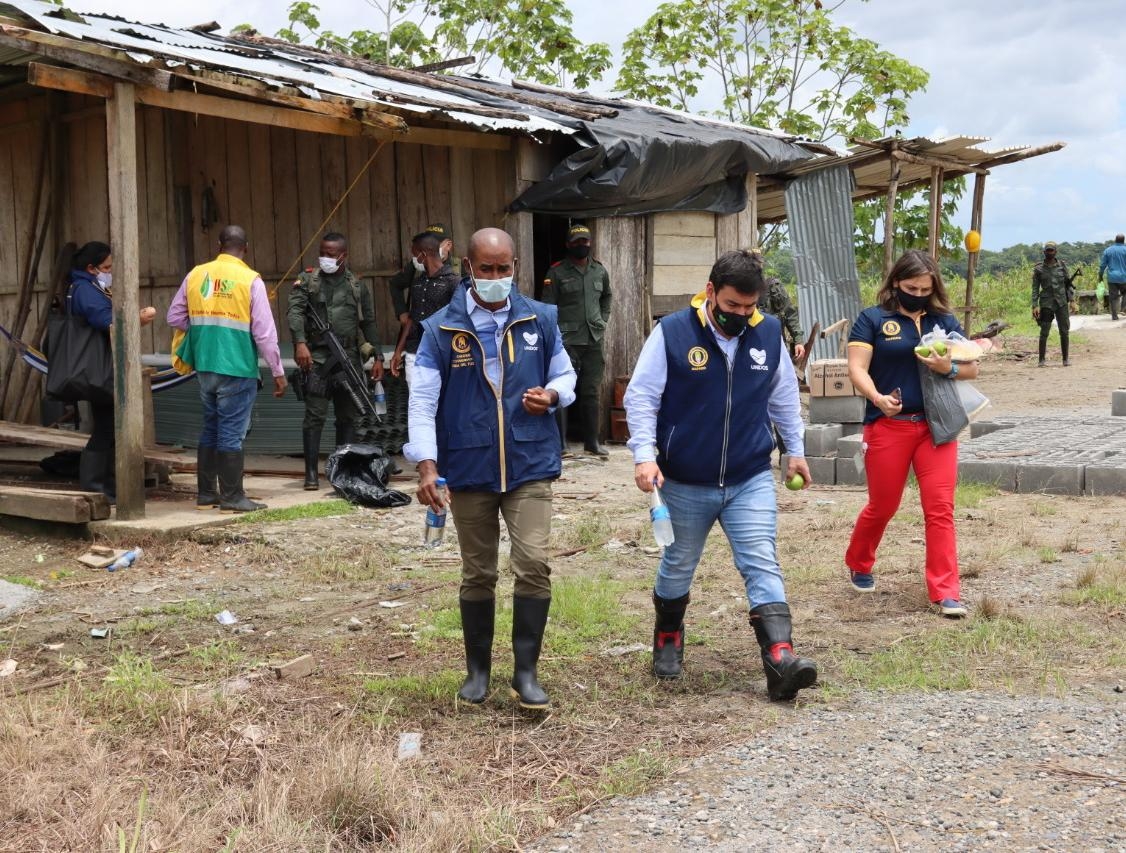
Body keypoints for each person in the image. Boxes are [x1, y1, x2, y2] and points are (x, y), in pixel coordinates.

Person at [623, 249, 818, 702]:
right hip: (686, 479)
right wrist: (644, 455)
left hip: (749, 476)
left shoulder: (767, 333)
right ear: (711, 292)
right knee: (679, 563)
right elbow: (642, 397)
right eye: (732, 305)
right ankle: (668, 635)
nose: (741, 316)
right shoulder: (673, 332)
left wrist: (795, 450)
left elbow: (784, 397)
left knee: (761, 560)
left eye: (750, 307)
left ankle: (780, 658)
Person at [404, 227, 576, 710]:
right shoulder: (440, 329)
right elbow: (422, 403)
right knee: (478, 572)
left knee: (534, 564)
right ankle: (477, 672)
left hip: (529, 461)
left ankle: (526, 673)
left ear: (515, 266)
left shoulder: (539, 318)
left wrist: (553, 394)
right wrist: (427, 467)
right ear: (469, 267)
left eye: (504, 268)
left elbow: (566, 373)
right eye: (487, 269)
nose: (497, 277)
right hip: (469, 463)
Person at [844, 249, 981, 618]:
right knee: (883, 505)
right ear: (896, 283)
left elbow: (972, 368)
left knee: (940, 509)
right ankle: (859, 560)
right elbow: (856, 368)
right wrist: (876, 397)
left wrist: (948, 366)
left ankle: (946, 591)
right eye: (911, 288)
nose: (918, 294)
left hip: (936, 427)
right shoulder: (873, 319)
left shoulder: (943, 320)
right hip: (888, 425)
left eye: (925, 289)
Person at [167, 225, 286, 512]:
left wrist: (206, 330)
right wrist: (278, 372)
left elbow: (174, 317)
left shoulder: (196, 274)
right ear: (245, 248)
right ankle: (232, 497)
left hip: (205, 365)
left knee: (211, 427)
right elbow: (265, 334)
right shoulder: (250, 280)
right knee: (231, 432)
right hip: (236, 366)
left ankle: (206, 495)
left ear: (219, 246)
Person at [287, 232, 384, 490]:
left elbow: (369, 322)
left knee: (348, 417)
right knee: (314, 416)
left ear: (343, 256)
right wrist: (299, 343)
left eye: (330, 255)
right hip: (318, 359)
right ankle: (311, 475)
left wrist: (378, 356)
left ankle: (342, 474)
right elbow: (295, 311)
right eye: (322, 253)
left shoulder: (356, 285)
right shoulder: (308, 280)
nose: (325, 259)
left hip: (348, 358)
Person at [64, 241, 157, 501]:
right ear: (91, 268)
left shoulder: (90, 286)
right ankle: (95, 487)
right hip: (98, 367)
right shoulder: (85, 289)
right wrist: (137, 319)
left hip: (101, 365)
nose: (110, 271)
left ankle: (109, 486)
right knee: (106, 427)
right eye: (106, 267)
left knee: (110, 427)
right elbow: (105, 321)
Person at [541, 224, 612, 456]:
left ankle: (592, 443)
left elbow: (607, 297)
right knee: (562, 389)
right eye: (577, 242)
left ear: (590, 243)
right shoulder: (557, 272)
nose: (582, 245)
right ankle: (561, 445)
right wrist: (555, 334)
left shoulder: (599, 271)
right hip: (567, 341)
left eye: (585, 241)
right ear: (568, 244)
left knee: (591, 392)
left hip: (593, 340)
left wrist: (602, 320)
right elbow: (547, 307)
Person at [389, 224, 460, 387]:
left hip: (442, 351)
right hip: (415, 349)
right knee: (416, 396)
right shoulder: (417, 279)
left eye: (415, 255)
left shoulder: (454, 278)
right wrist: (399, 350)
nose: (415, 259)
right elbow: (412, 316)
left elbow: (460, 319)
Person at [1031, 241, 1076, 367]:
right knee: (1044, 331)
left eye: (1052, 250)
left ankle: (1065, 359)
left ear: (1056, 252)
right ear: (1044, 252)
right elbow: (1035, 288)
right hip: (1046, 303)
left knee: (1064, 331)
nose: (1049, 253)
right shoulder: (1039, 269)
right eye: (1048, 250)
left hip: (1061, 302)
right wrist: (1034, 305)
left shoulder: (1062, 266)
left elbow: (1068, 284)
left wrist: (1072, 300)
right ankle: (1041, 360)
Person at [761, 276, 806, 361]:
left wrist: (798, 341)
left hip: (778, 345)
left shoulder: (773, 286)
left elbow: (790, 314)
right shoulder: (740, 288)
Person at [1098, 233, 1126, 321]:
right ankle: (1123, 309)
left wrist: (1100, 275)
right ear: (1123, 241)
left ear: (1115, 240)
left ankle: (1114, 316)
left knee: (1113, 297)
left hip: (1112, 277)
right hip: (1124, 277)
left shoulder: (1108, 250)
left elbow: (1102, 265)